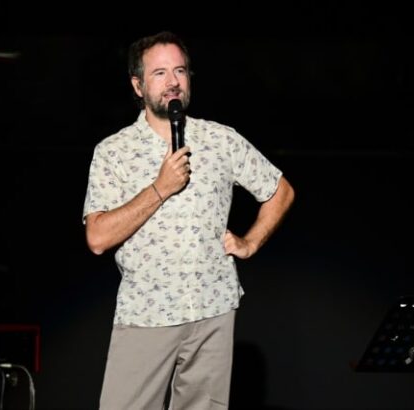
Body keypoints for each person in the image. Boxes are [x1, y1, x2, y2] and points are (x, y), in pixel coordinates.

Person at [82, 31, 295, 410]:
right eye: (160, 73)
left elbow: (280, 191)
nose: (173, 81)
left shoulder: (220, 140)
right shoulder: (114, 151)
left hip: (212, 309)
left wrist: (250, 242)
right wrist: (159, 188)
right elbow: (97, 238)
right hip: (147, 313)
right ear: (138, 85)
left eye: (179, 71)